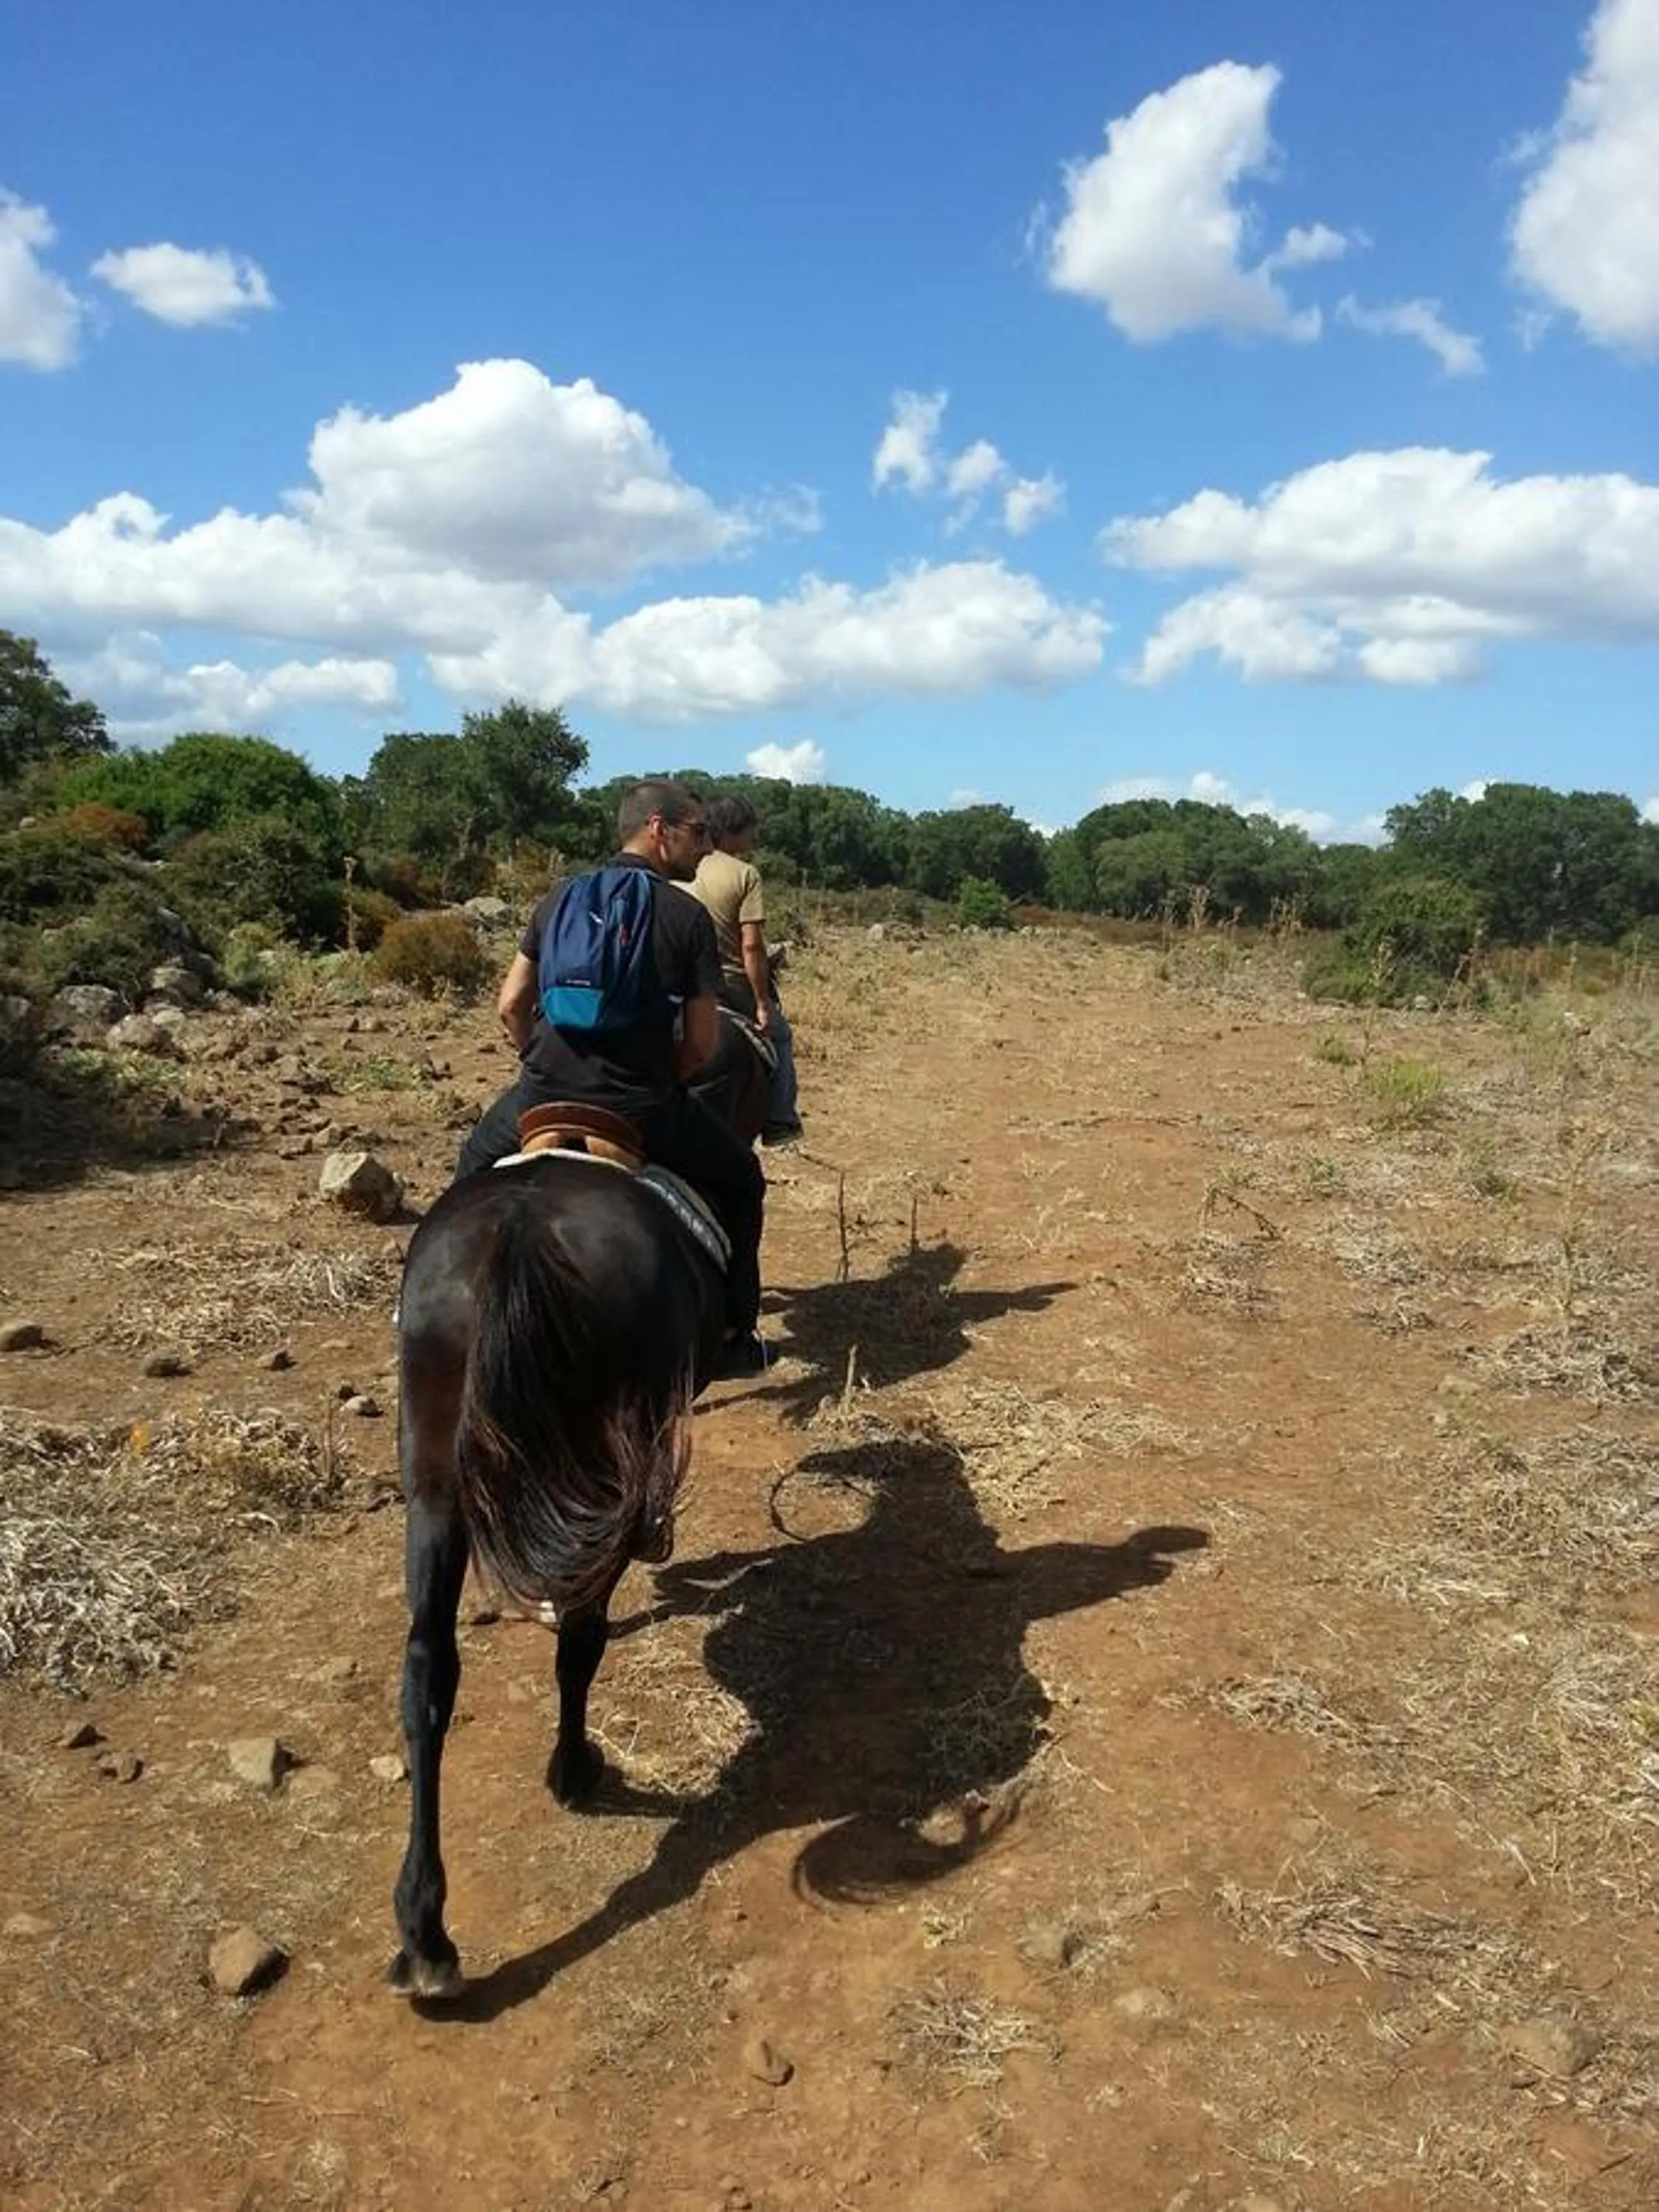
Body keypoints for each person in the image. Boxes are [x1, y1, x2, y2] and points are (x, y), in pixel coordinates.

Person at [454, 778, 768, 1376]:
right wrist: (660, 1080)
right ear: (658, 829)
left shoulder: (558, 899)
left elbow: (510, 1005)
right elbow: (701, 1044)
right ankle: (735, 1333)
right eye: (697, 833)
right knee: (742, 1181)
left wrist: (539, 1066)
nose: (705, 848)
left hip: (541, 1095)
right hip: (639, 1105)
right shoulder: (685, 916)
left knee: (469, 1169)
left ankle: (416, 1302)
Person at [688, 793, 803, 1146]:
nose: (753, 839)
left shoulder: (681, 867)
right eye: (751, 831)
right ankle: (779, 1120)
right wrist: (763, 1004)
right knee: (780, 1037)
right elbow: (751, 946)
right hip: (730, 987)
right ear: (735, 831)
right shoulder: (745, 875)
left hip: (686, 984)